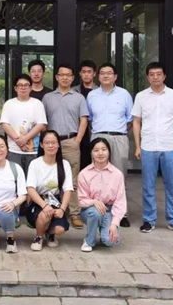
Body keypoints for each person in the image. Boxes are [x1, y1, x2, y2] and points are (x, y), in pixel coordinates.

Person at [132, 62, 173, 234]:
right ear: (147, 77)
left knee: (171, 185)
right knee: (148, 186)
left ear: (164, 76)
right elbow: (136, 121)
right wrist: (137, 146)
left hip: (169, 147)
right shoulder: (141, 96)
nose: (155, 77)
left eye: (158, 74)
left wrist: (172, 135)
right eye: (152, 74)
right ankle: (149, 220)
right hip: (148, 146)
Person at [87, 62, 134, 228]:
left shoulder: (124, 94)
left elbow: (130, 119)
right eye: (102, 73)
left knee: (119, 175)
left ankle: (122, 213)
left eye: (109, 73)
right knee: (97, 175)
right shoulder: (92, 95)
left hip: (118, 137)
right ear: (98, 76)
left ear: (115, 77)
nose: (105, 76)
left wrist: (119, 132)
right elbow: (89, 118)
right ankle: (99, 211)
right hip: (98, 136)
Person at [42, 64, 88, 229]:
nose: (65, 78)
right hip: (51, 142)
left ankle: (74, 213)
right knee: (50, 176)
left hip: (71, 141)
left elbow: (84, 120)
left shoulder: (79, 98)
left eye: (68, 75)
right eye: (62, 75)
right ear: (56, 77)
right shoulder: (47, 97)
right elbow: (42, 121)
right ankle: (49, 211)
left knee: (73, 178)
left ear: (73, 78)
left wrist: (78, 140)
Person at [26, 131, 73, 251]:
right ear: (42, 145)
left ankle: (49, 233)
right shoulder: (35, 164)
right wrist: (44, 205)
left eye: (54, 142)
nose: (51, 146)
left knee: (60, 229)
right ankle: (39, 237)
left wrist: (62, 209)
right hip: (39, 200)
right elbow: (30, 189)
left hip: (55, 200)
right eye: (47, 143)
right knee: (45, 215)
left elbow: (68, 189)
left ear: (58, 144)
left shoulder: (65, 164)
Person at [78, 137, 126, 252]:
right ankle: (89, 241)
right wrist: (94, 202)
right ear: (91, 153)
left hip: (109, 210)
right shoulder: (84, 173)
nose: (100, 153)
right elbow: (81, 200)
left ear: (109, 152)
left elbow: (120, 201)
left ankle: (104, 231)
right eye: (96, 150)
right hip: (90, 210)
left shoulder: (117, 174)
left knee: (110, 241)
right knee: (95, 213)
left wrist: (114, 224)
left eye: (104, 149)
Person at [0, 73, 47, 175]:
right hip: (13, 150)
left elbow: (41, 124)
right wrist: (18, 141)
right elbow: (5, 124)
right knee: (15, 178)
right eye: (20, 85)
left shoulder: (37, 103)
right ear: (15, 88)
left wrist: (25, 138)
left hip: (33, 150)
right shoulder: (9, 104)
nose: (23, 87)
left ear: (31, 88)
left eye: (26, 85)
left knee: (32, 179)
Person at [72, 60, 98, 170]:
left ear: (94, 74)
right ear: (80, 73)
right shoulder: (73, 91)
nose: (86, 74)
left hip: (93, 131)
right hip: (77, 130)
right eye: (84, 72)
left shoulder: (99, 91)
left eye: (89, 72)